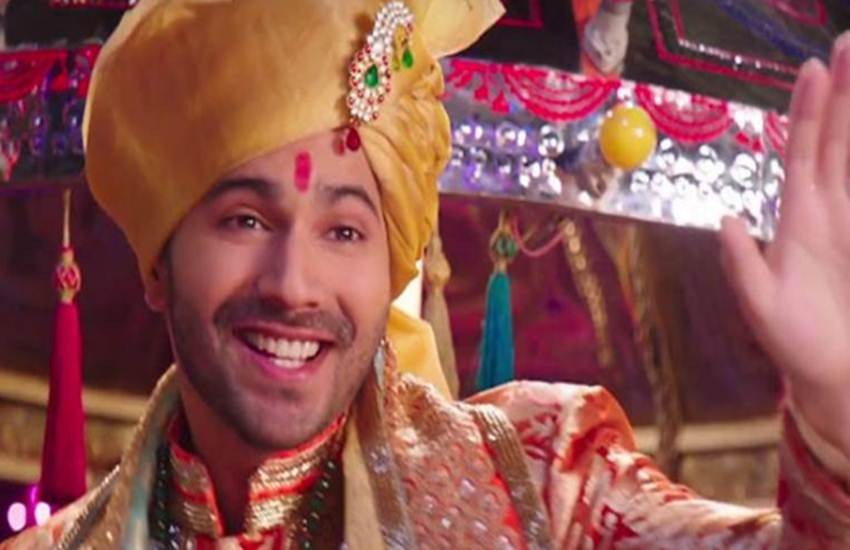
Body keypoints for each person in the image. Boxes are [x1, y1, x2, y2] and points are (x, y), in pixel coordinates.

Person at [5, 0, 850, 547]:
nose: (294, 283)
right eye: (246, 220)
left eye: (344, 230)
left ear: (391, 264)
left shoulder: (544, 485)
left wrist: (834, 418)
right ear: (159, 263)